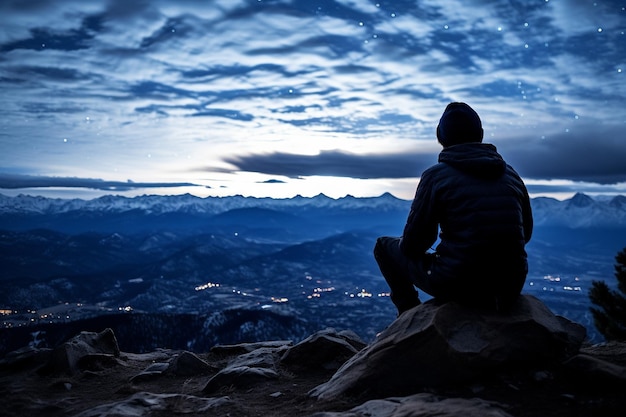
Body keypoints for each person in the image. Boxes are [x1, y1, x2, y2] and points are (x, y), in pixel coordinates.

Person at [374, 102, 533, 315]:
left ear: (441, 137)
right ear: (481, 134)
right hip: (510, 285)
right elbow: (526, 234)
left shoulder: (436, 176)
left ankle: (408, 314)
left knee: (383, 247)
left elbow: (413, 246)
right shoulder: (511, 175)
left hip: (459, 283)